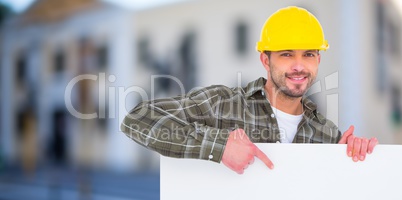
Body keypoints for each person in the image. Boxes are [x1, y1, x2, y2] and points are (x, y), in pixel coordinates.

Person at [121, 6, 378, 174]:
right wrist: (218, 147)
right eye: (287, 54)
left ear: (318, 61)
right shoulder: (222, 104)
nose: (299, 66)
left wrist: (349, 159)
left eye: (309, 54)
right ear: (266, 60)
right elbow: (137, 119)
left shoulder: (327, 133)